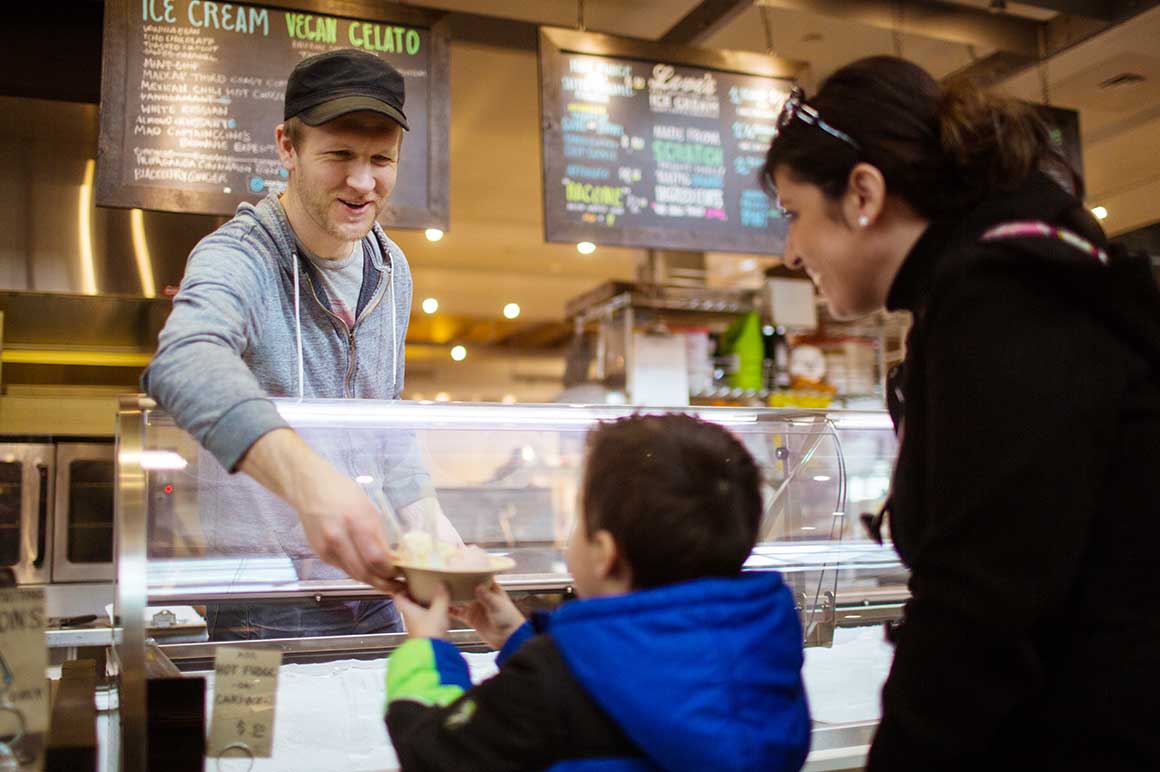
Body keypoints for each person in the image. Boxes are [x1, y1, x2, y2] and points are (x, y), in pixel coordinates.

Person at [761, 56, 1160, 770]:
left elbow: (982, 604)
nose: (790, 250)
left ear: (862, 193)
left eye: (793, 215)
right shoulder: (1012, 280)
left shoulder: (1004, 301)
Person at [143, 49, 457, 638]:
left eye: (380, 158)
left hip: (373, 581)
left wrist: (431, 525)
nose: (363, 182)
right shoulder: (238, 255)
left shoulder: (393, 270)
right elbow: (184, 362)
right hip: (262, 592)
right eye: (339, 155)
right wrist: (311, 484)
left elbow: (384, 421)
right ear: (287, 146)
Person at [383, 413, 811, 772]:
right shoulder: (767, 656)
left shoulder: (548, 684)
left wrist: (428, 652)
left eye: (578, 514)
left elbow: (434, 756)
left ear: (604, 554)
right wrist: (517, 638)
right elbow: (628, 688)